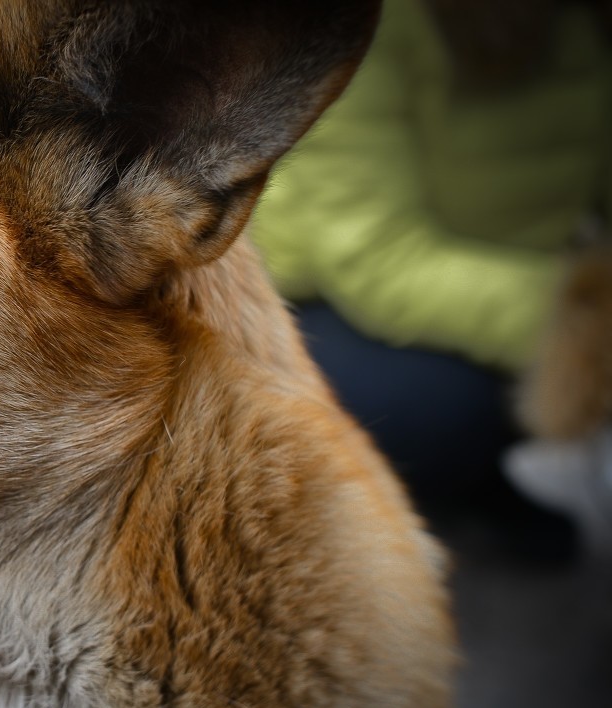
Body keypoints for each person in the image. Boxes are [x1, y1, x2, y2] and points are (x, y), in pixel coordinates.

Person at [250, 0, 612, 554]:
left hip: (505, 261)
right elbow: (377, 259)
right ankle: (427, 503)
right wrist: (578, 321)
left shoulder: (579, 19)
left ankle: (486, 475)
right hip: (329, 292)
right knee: (438, 406)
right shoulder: (373, 20)